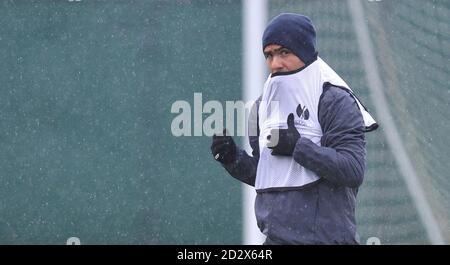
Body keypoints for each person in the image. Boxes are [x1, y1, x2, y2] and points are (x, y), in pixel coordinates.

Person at [211, 13, 378, 244]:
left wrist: (298, 146)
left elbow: (352, 169)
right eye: (268, 55)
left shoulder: (334, 98)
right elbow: (271, 175)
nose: (275, 63)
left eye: (284, 52)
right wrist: (232, 159)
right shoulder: (261, 107)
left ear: (305, 51)